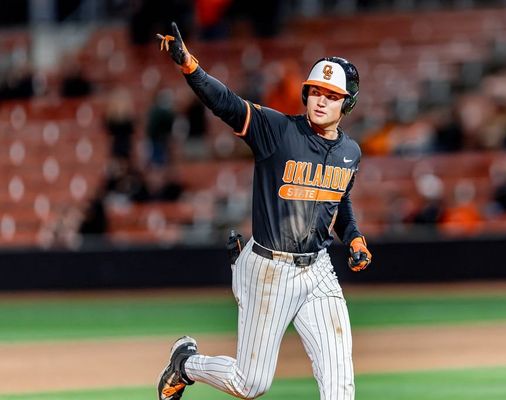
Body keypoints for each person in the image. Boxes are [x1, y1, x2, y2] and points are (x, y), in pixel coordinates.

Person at [156, 22, 372, 400]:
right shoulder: (277, 130)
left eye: (332, 95)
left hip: (318, 270)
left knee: (340, 387)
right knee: (250, 384)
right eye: (315, 92)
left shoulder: (350, 153)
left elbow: (339, 200)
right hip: (270, 269)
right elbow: (227, 103)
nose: (321, 101)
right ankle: (184, 364)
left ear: (347, 104)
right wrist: (190, 66)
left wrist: (353, 236)